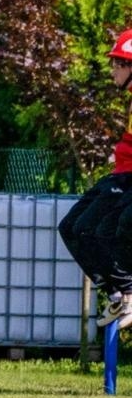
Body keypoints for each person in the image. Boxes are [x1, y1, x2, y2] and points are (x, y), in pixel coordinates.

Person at [59, 28, 132, 332]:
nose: (113, 70)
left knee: (103, 229)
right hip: (121, 174)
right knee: (71, 227)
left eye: (119, 63)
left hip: (128, 179)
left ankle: (128, 292)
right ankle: (118, 294)